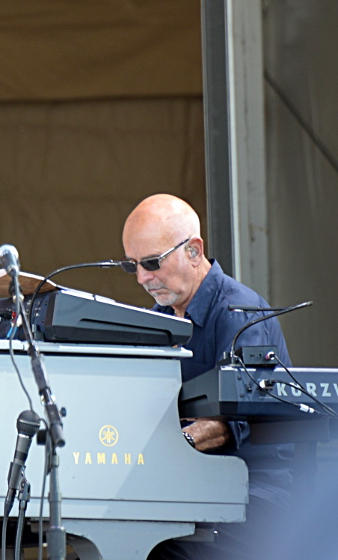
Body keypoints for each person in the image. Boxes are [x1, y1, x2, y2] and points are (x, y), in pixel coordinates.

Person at [122, 194, 293, 560]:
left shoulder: (239, 312)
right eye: (132, 265)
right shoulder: (157, 320)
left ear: (194, 251)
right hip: (196, 489)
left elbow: (230, 422)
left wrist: (159, 449)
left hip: (257, 497)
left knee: (162, 553)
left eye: (152, 262)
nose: (141, 278)